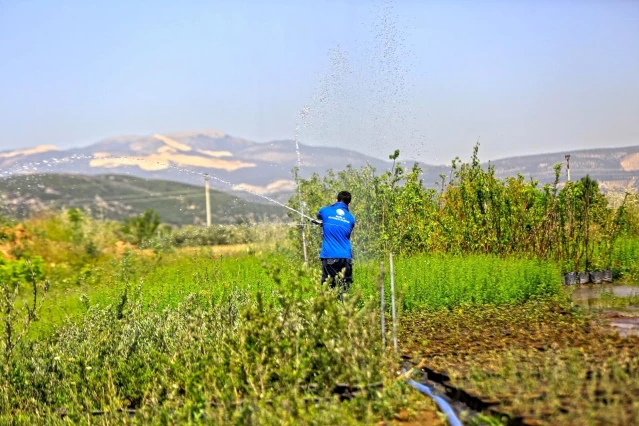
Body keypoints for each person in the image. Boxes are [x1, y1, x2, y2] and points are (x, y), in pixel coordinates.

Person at [314, 191, 356, 299]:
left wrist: (323, 223)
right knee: (344, 290)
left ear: (336, 200)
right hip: (346, 258)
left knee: (328, 288)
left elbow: (319, 215)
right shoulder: (351, 218)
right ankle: (345, 313)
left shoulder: (325, 211)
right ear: (349, 204)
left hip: (330, 256)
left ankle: (328, 313)